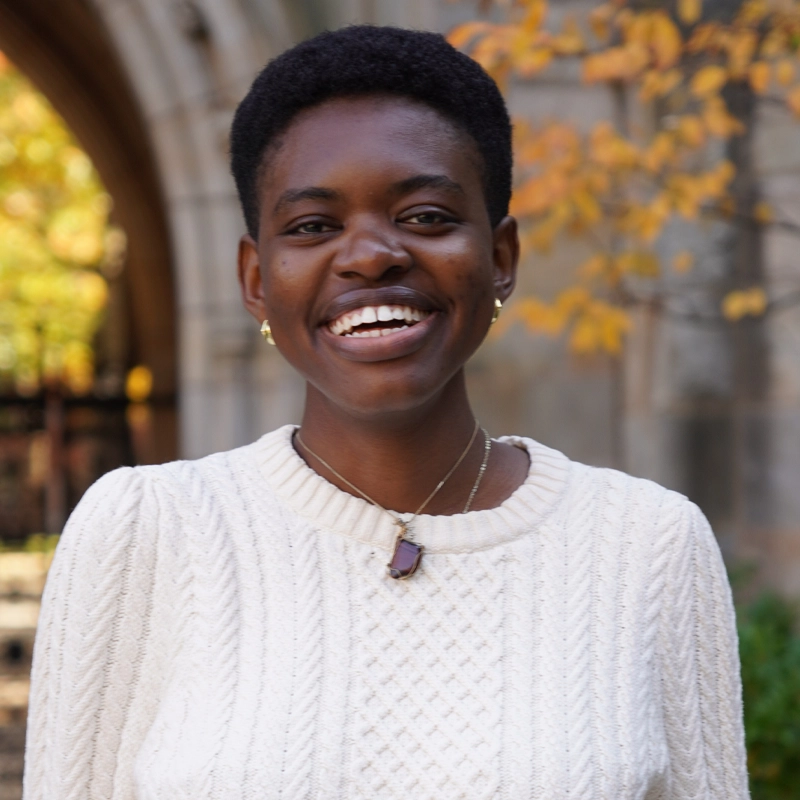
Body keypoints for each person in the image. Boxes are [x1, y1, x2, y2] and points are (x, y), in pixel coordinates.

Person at [23, 25, 749, 800]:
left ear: (500, 259)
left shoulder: (648, 545)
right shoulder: (144, 532)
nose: (370, 255)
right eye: (312, 227)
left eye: (427, 216)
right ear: (256, 278)